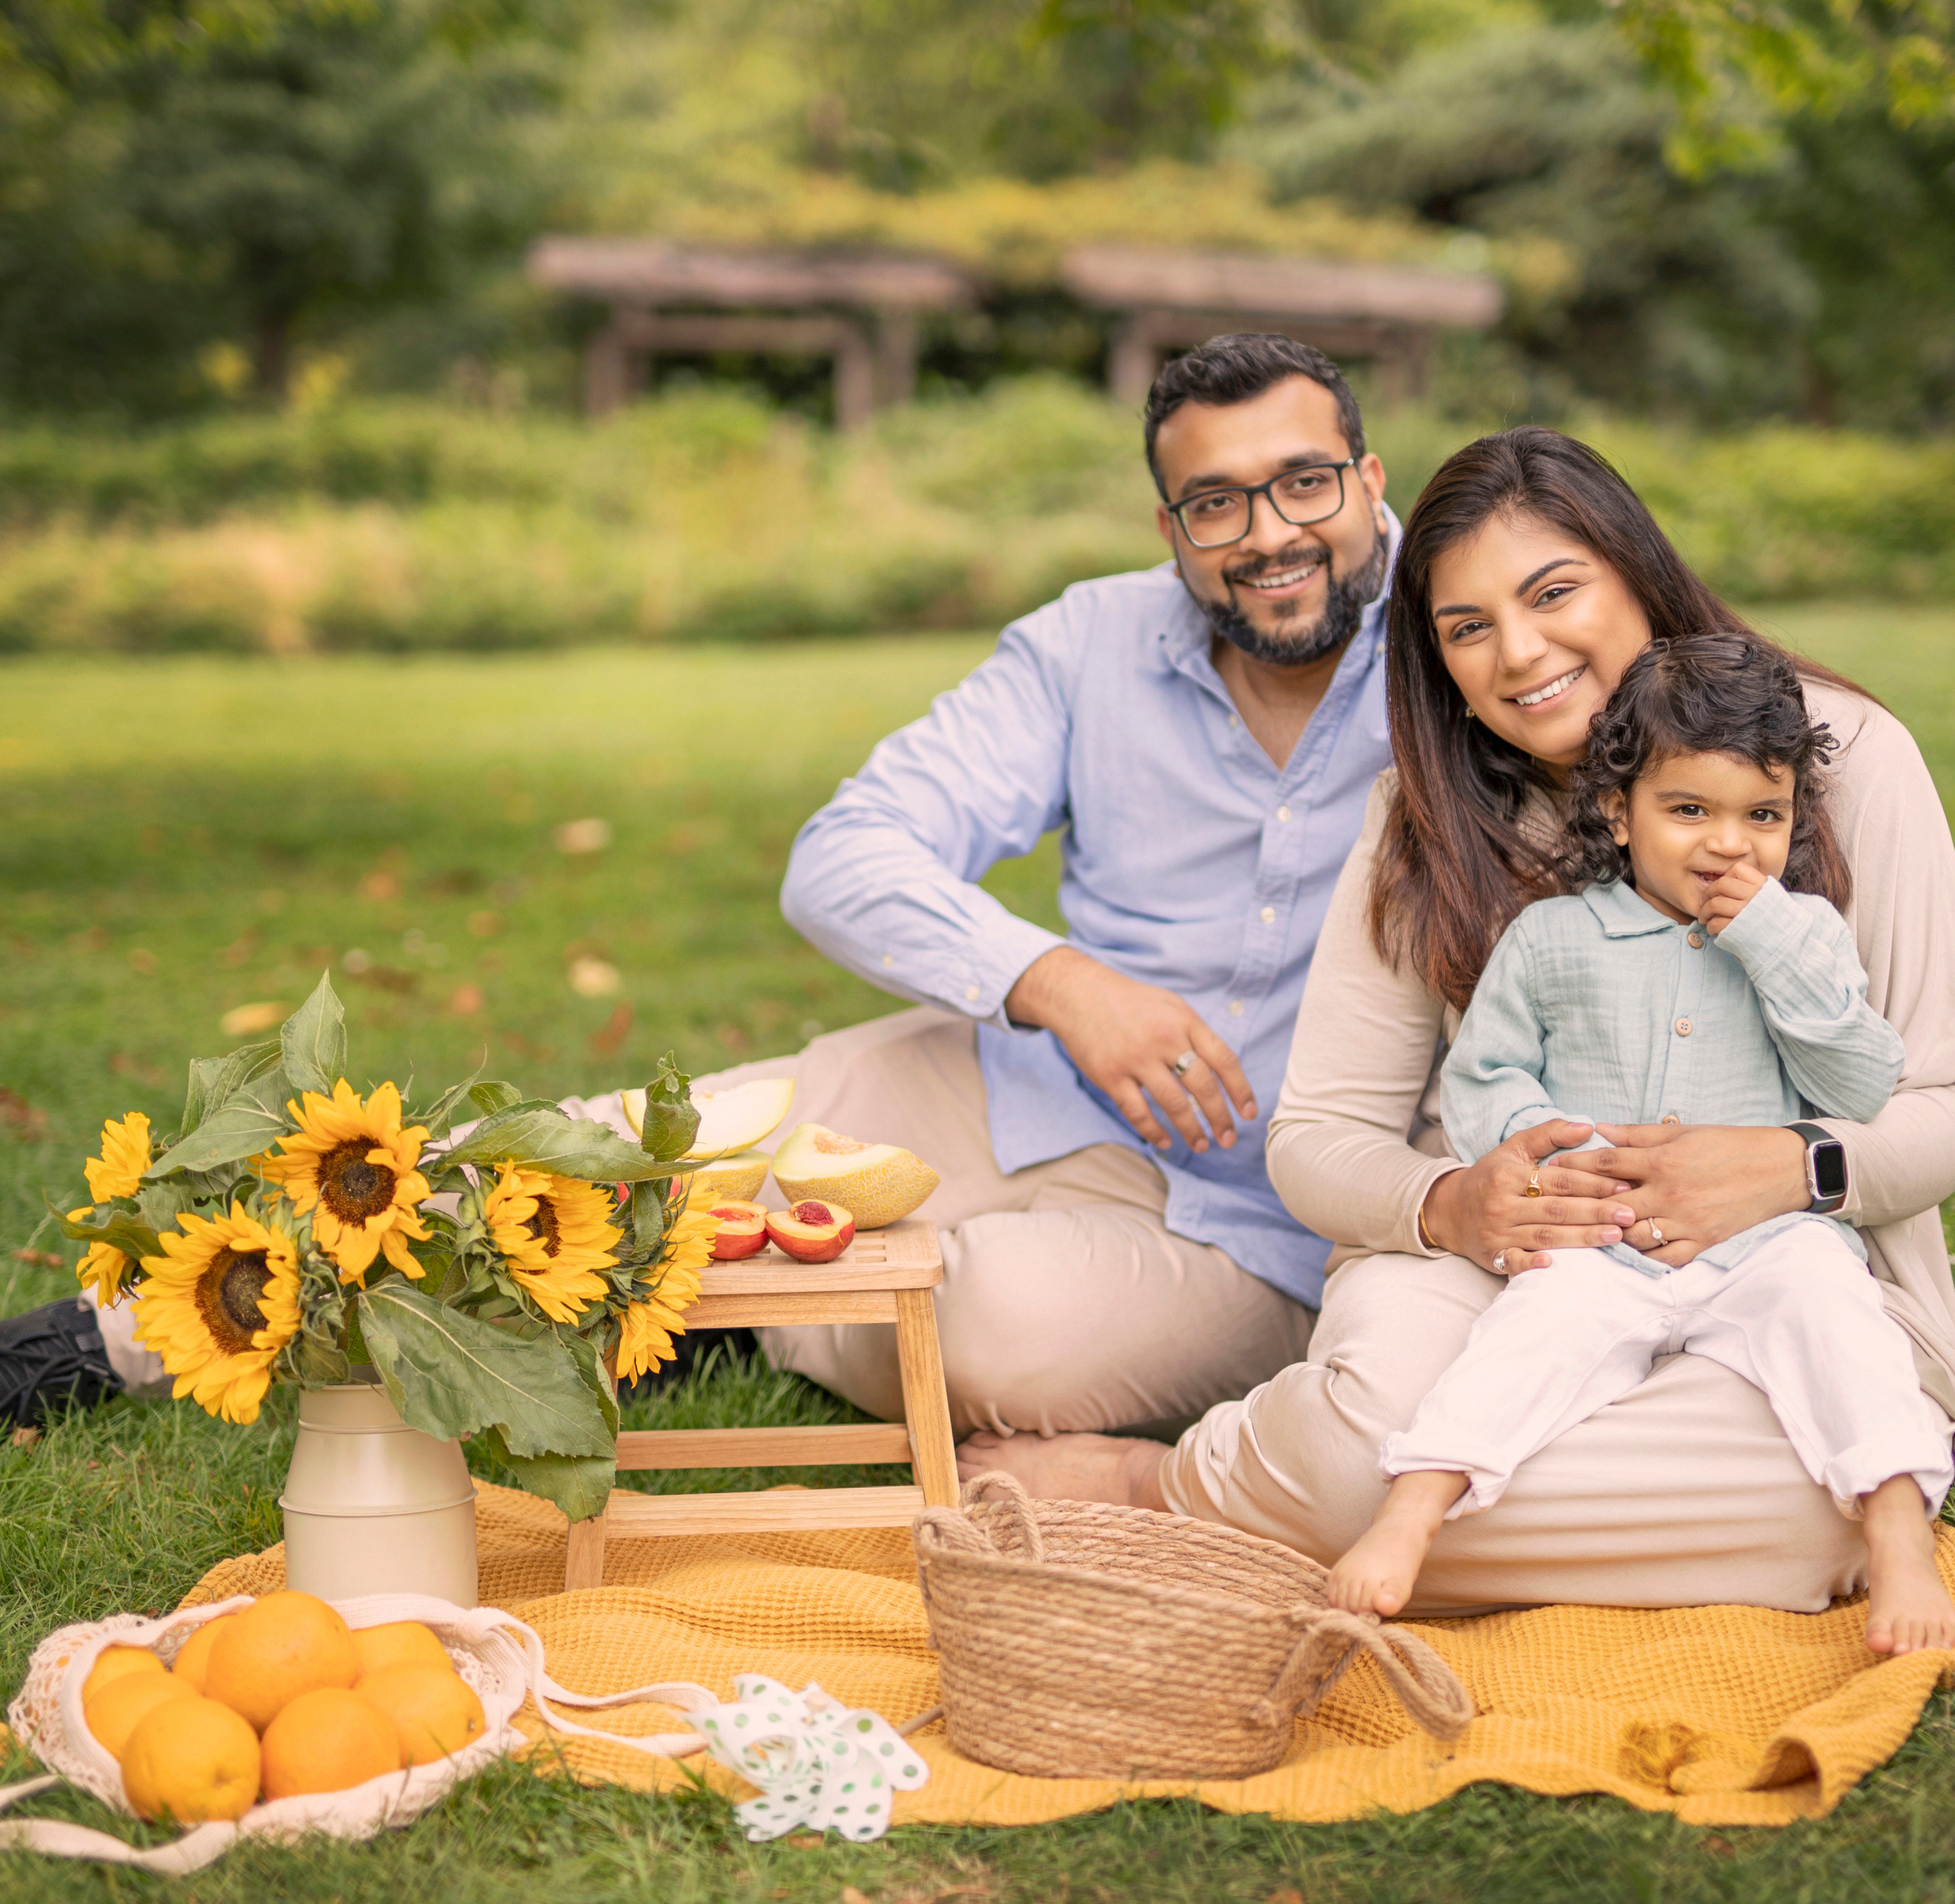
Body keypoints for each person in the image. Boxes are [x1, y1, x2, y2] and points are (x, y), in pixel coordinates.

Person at [4, 333, 1403, 1440]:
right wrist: (1058, 982)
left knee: (985, 1344)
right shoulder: (1090, 641)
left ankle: (705, 1306)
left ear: (1370, 481)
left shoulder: (1463, 651)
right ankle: (110, 1334)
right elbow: (844, 855)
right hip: (1026, 1086)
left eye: (1302, 484)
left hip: (1264, 1224)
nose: (1266, 532)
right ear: (1172, 529)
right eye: (1215, 502)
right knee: (594, 1153)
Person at [962, 427, 1955, 1617]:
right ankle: (1184, 1483)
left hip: (1796, 1263)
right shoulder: (1423, 818)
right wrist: (1453, 1204)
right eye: (1466, 627)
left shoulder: (1840, 761)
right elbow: (1320, 1138)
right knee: (1364, 1455)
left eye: (1553, 593)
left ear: (1638, 573)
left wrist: (1794, 1167)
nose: (1518, 653)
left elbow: (1936, 1104)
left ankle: (1275, 1512)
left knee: (1811, 1495)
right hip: (1512, 1261)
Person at [1323, 634, 1955, 1653]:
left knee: (1838, 1318)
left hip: (1767, 1244)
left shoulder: (1805, 938)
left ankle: (1894, 1534)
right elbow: (1484, 1074)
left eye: (1763, 815)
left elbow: (1861, 1083)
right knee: (1529, 1334)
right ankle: (1413, 1513)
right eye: (1689, 810)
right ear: (1619, 812)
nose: (1729, 844)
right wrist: (1545, 1151)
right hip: (1602, 1240)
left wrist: (1772, 943)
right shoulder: (1555, 939)